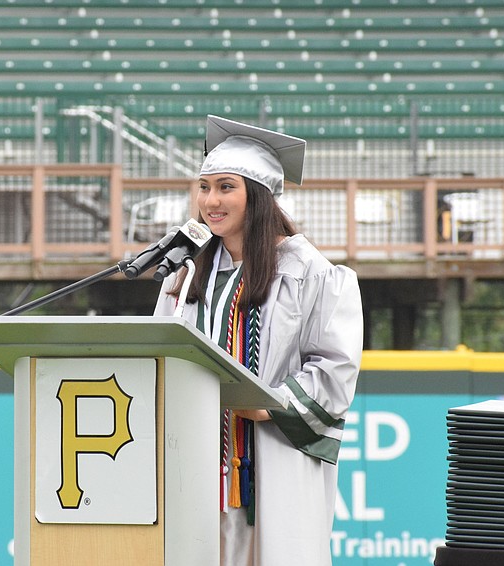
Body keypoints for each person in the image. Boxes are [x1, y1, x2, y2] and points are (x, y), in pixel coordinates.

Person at [153, 115, 363, 566]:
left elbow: (335, 369)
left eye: (226, 187)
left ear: (259, 197)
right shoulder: (186, 274)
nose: (211, 200)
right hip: (194, 462)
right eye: (204, 186)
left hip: (273, 460)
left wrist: (267, 403)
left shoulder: (313, 275)